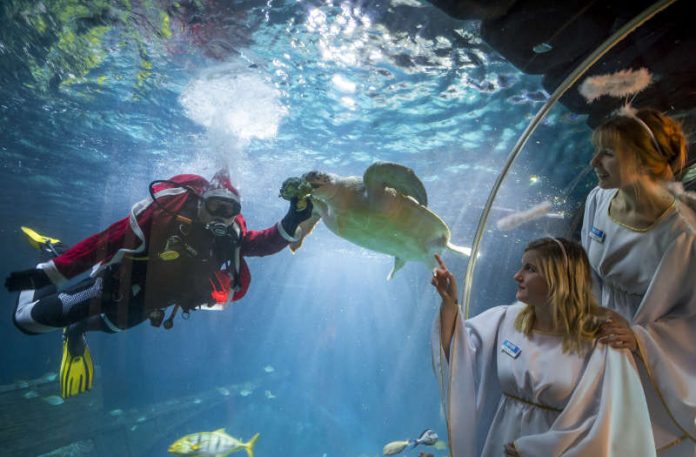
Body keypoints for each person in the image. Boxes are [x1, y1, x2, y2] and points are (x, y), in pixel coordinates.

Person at [5, 170, 312, 398]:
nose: (222, 216)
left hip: (148, 305)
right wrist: (48, 272)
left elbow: (261, 244)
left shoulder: (227, 235)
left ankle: (77, 329)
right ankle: (51, 248)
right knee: (26, 322)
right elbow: (102, 244)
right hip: (112, 287)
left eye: (230, 210)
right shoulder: (164, 218)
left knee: (114, 325)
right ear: (201, 202)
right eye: (216, 206)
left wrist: (291, 221)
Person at [431, 238, 655, 457]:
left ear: (558, 278)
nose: (517, 275)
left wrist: (537, 449)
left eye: (530, 268)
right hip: (499, 443)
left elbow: (609, 421)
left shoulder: (601, 339)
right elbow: (457, 355)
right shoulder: (507, 319)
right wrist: (449, 303)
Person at [582, 107, 696, 455]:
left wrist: (638, 338)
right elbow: (589, 272)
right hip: (601, 338)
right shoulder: (599, 199)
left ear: (644, 161)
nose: (593, 162)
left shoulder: (682, 234)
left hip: (654, 357)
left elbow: (690, 319)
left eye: (608, 153)